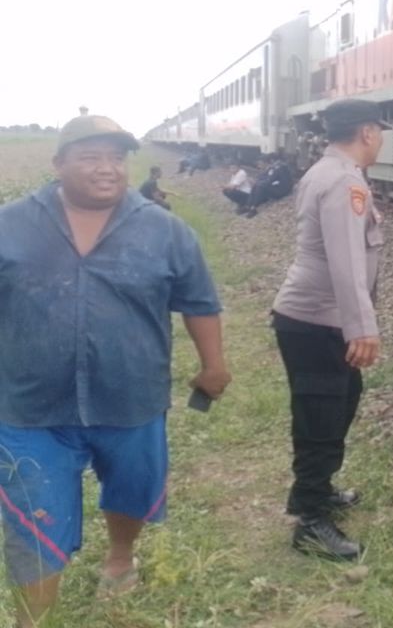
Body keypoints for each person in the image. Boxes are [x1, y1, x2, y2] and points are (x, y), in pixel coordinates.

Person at [0, 115, 231, 627]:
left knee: (132, 487)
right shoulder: (9, 224)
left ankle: (121, 556)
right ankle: (30, 622)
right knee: (32, 521)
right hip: (30, 405)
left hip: (131, 396)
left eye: (116, 158)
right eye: (90, 157)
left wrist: (213, 364)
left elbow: (198, 302)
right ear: (58, 164)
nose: (107, 170)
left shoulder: (165, 229)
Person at [271, 99, 389, 561]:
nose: (381, 138)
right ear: (366, 132)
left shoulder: (326, 171)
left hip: (315, 318)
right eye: (379, 130)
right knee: (320, 416)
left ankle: (321, 489)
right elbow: (346, 260)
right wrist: (362, 327)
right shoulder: (343, 180)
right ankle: (311, 521)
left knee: (342, 400)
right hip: (318, 318)